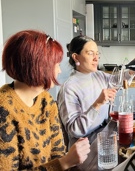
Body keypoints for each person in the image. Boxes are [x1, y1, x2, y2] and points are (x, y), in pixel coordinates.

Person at [0, 30, 90, 170]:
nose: (59, 71)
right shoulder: (4, 109)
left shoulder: (45, 101)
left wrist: (66, 161)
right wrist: (65, 162)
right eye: (56, 64)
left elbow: (57, 152)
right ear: (38, 65)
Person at [57, 35, 135, 148]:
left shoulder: (97, 75)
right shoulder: (69, 88)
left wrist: (132, 71)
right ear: (76, 57)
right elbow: (75, 130)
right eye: (90, 53)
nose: (96, 58)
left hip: (107, 136)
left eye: (97, 53)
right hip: (87, 148)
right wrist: (97, 104)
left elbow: (117, 82)